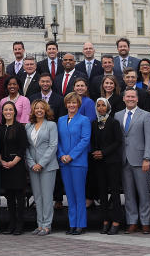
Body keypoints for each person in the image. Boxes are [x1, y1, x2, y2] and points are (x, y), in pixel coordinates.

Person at [116, 88, 150, 234]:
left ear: (137, 99)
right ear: (124, 99)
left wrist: (147, 158)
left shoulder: (146, 115)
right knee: (129, 194)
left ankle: (145, 222)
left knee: (144, 193)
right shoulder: (118, 115)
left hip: (140, 160)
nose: (130, 99)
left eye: (133, 96)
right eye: (128, 97)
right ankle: (132, 221)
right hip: (124, 160)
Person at [57, 92, 90, 235]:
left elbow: (85, 140)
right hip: (64, 162)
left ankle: (80, 224)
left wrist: (71, 156)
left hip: (78, 162)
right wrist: (62, 155)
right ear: (66, 104)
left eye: (74, 103)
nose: (71, 105)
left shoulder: (84, 120)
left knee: (79, 194)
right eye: (69, 103)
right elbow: (57, 141)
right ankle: (72, 224)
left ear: (78, 104)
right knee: (69, 195)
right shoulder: (60, 120)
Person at [89, 97, 123, 234]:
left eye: (103, 105)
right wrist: (95, 152)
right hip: (99, 162)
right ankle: (105, 220)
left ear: (108, 107)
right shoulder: (93, 123)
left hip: (112, 161)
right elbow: (91, 141)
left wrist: (103, 152)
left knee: (114, 192)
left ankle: (116, 220)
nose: (101, 108)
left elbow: (118, 141)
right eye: (99, 105)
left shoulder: (114, 122)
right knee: (102, 192)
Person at [25, 99, 58, 236]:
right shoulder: (28, 126)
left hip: (48, 166)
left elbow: (53, 146)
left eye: (41, 108)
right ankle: (39, 224)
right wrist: (32, 163)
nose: (39, 110)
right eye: (36, 108)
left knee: (47, 196)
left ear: (45, 110)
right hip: (33, 167)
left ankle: (47, 225)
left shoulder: (51, 125)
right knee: (37, 197)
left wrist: (41, 163)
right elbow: (26, 147)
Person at [0, 100, 28, 235]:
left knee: (19, 197)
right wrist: (1, 161)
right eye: (6, 110)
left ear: (15, 112)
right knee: (9, 196)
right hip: (4, 165)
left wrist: (13, 162)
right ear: (2, 112)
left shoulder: (20, 127)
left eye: (10, 110)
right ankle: (11, 223)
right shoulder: (0, 128)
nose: (8, 112)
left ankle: (20, 224)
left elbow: (23, 148)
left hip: (17, 165)